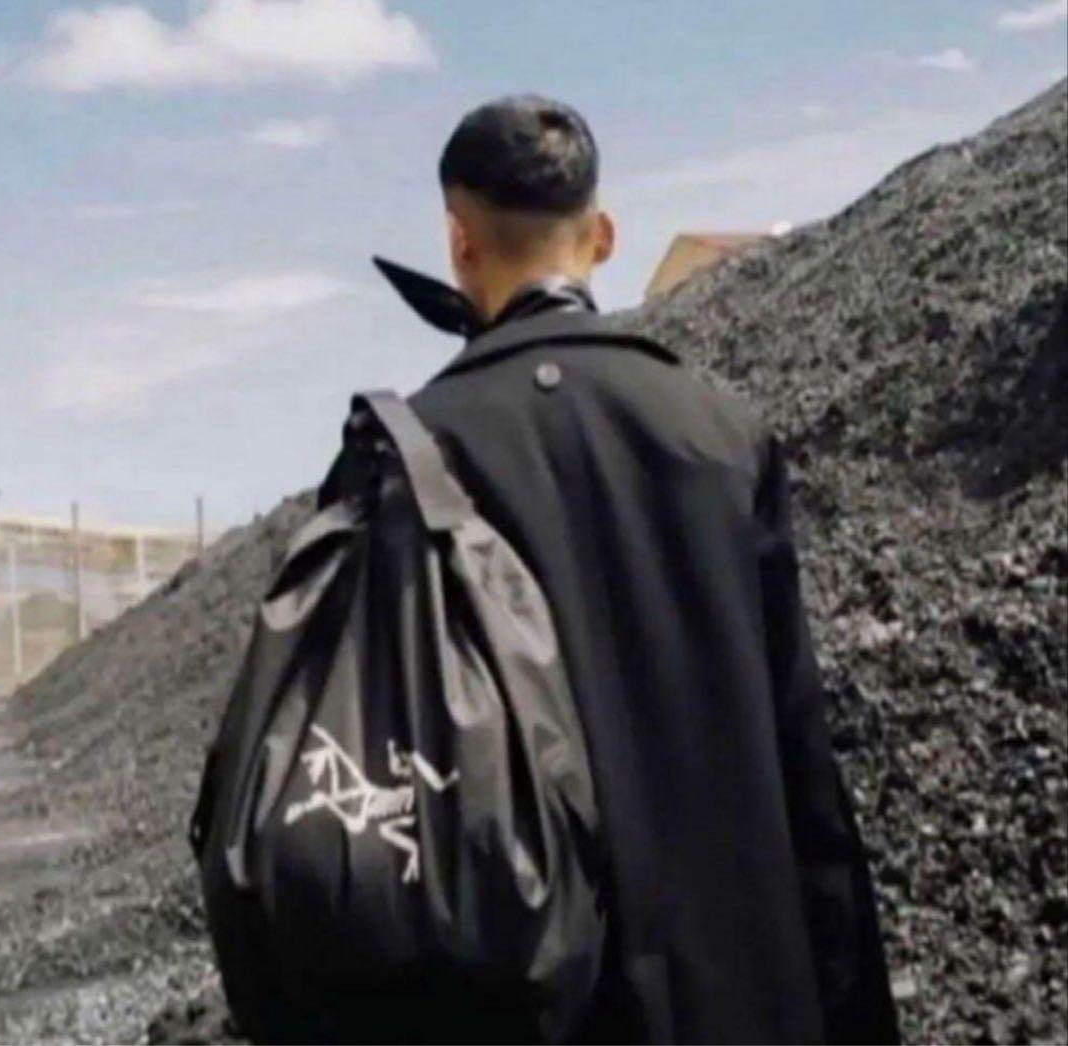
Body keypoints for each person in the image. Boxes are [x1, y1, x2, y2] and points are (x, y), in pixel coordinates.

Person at [318, 93, 899, 1045]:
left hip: (528, 1005)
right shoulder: (724, 435)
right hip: (744, 1002)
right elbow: (806, 776)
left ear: (459, 243)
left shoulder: (402, 461)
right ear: (605, 235)